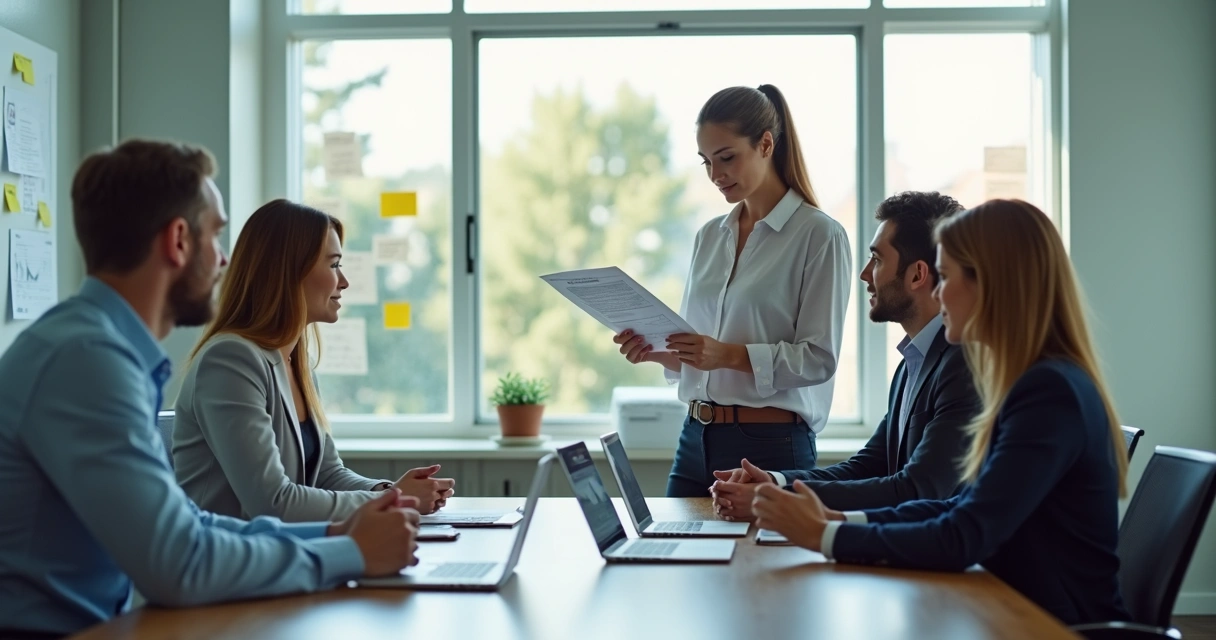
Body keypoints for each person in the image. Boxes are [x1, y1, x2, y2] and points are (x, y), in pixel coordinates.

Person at [0, 140, 420, 639]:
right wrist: (349, 552)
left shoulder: (99, 348)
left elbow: (189, 525)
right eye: (216, 236)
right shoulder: (87, 360)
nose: (224, 260)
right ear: (178, 241)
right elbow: (178, 564)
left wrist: (334, 532)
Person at [752, 199, 1130, 625]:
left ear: (991, 284)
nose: (937, 291)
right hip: (1006, 610)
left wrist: (825, 535)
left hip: (1049, 626)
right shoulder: (1030, 381)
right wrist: (837, 519)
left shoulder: (1049, 391)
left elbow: (963, 535)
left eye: (946, 276)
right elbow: (956, 508)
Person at [614, 84, 852, 497]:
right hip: (694, 438)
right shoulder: (710, 236)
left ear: (765, 144)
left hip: (769, 448)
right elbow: (701, 352)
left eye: (726, 158)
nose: (715, 175)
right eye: (706, 162)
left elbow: (818, 359)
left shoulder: (820, 235)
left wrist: (726, 355)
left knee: (762, 563)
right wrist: (659, 352)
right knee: (668, 557)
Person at [173, 199, 455, 521]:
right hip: (231, 563)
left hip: (285, 554)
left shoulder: (296, 362)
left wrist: (390, 492)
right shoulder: (230, 361)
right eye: (334, 265)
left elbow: (327, 475)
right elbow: (273, 503)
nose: (344, 281)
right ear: (288, 272)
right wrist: (397, 500)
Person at [711, 191, 979, 517]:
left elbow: (917, 488)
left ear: (917, 275)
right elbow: (869, 466)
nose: (866, 274)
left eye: (877, 260)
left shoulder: (963, 365)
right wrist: (773, 483)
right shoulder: (913, 363)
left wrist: (778, 503)